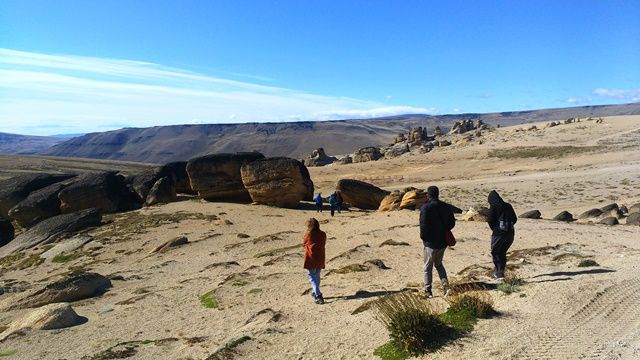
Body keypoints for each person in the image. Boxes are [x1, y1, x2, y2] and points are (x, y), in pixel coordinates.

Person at [419, 186, 455, 298]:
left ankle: (428, 291)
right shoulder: (446, 206)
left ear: (428, 195)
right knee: (439, 264)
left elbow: (423, 225)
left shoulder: (425, 208)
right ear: (438, 194)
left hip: (430, 242)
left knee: (427, 266)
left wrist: (424, 238)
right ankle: (446, 287)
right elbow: (452, 223)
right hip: (443, 241)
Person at [487, 190, 517, 280]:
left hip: (498, 234)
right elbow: (515, 219)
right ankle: (500, 272)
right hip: (510, 233)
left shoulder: (493, 207)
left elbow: (490, 220)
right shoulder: (508, 206)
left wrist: (495, 228)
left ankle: (499, 273)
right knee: (502, 253)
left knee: (495, 252)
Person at [303, 218, 327, 304]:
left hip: (311, 258)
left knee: (312, 277)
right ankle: (314, 291)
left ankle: (318, 295)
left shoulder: (308, 234)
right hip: (320, 257)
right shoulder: (323, 234)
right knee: (316, 276)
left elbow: (304, 243)